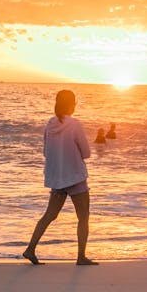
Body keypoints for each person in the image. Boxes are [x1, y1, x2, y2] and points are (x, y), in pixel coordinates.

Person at [23, 90, 96, 266]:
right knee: (83, 217)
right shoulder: (75, 124)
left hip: (57, 178)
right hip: (75, 177)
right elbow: (86, 153)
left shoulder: (50, 124)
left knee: (49, 215)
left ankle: (30, 248)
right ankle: (81, 257)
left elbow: (46, 152)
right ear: (72, 104)